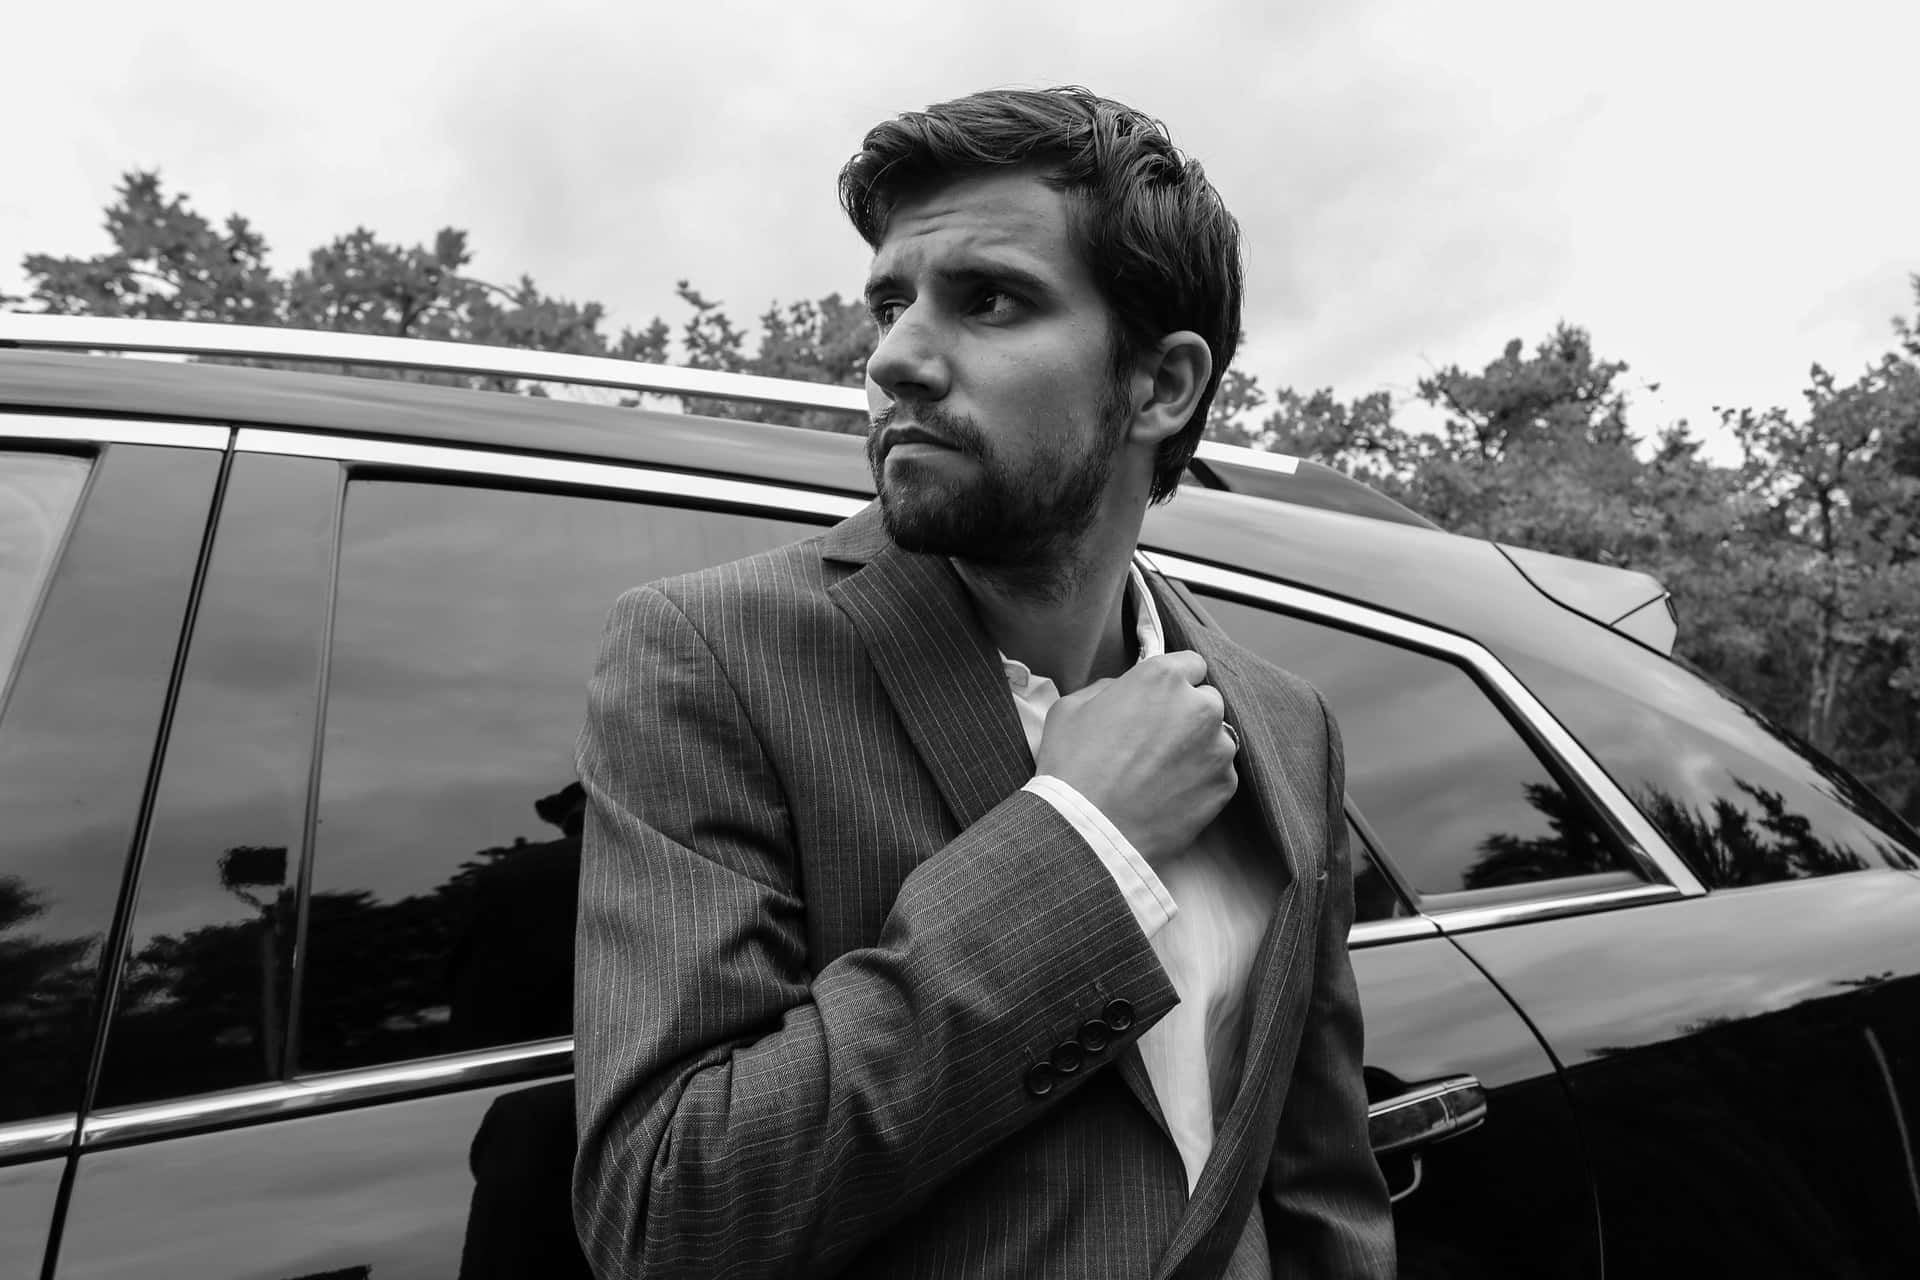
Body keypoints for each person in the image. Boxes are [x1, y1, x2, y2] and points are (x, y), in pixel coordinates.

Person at [572, 86, 1394, 1278]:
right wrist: (1081, 841)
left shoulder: (1284, 723)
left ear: (1161, 385)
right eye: (890, 303)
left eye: (989, 299)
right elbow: (668, 1212)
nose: (894, 358)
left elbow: (1316, 1180)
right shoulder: (709, 657)